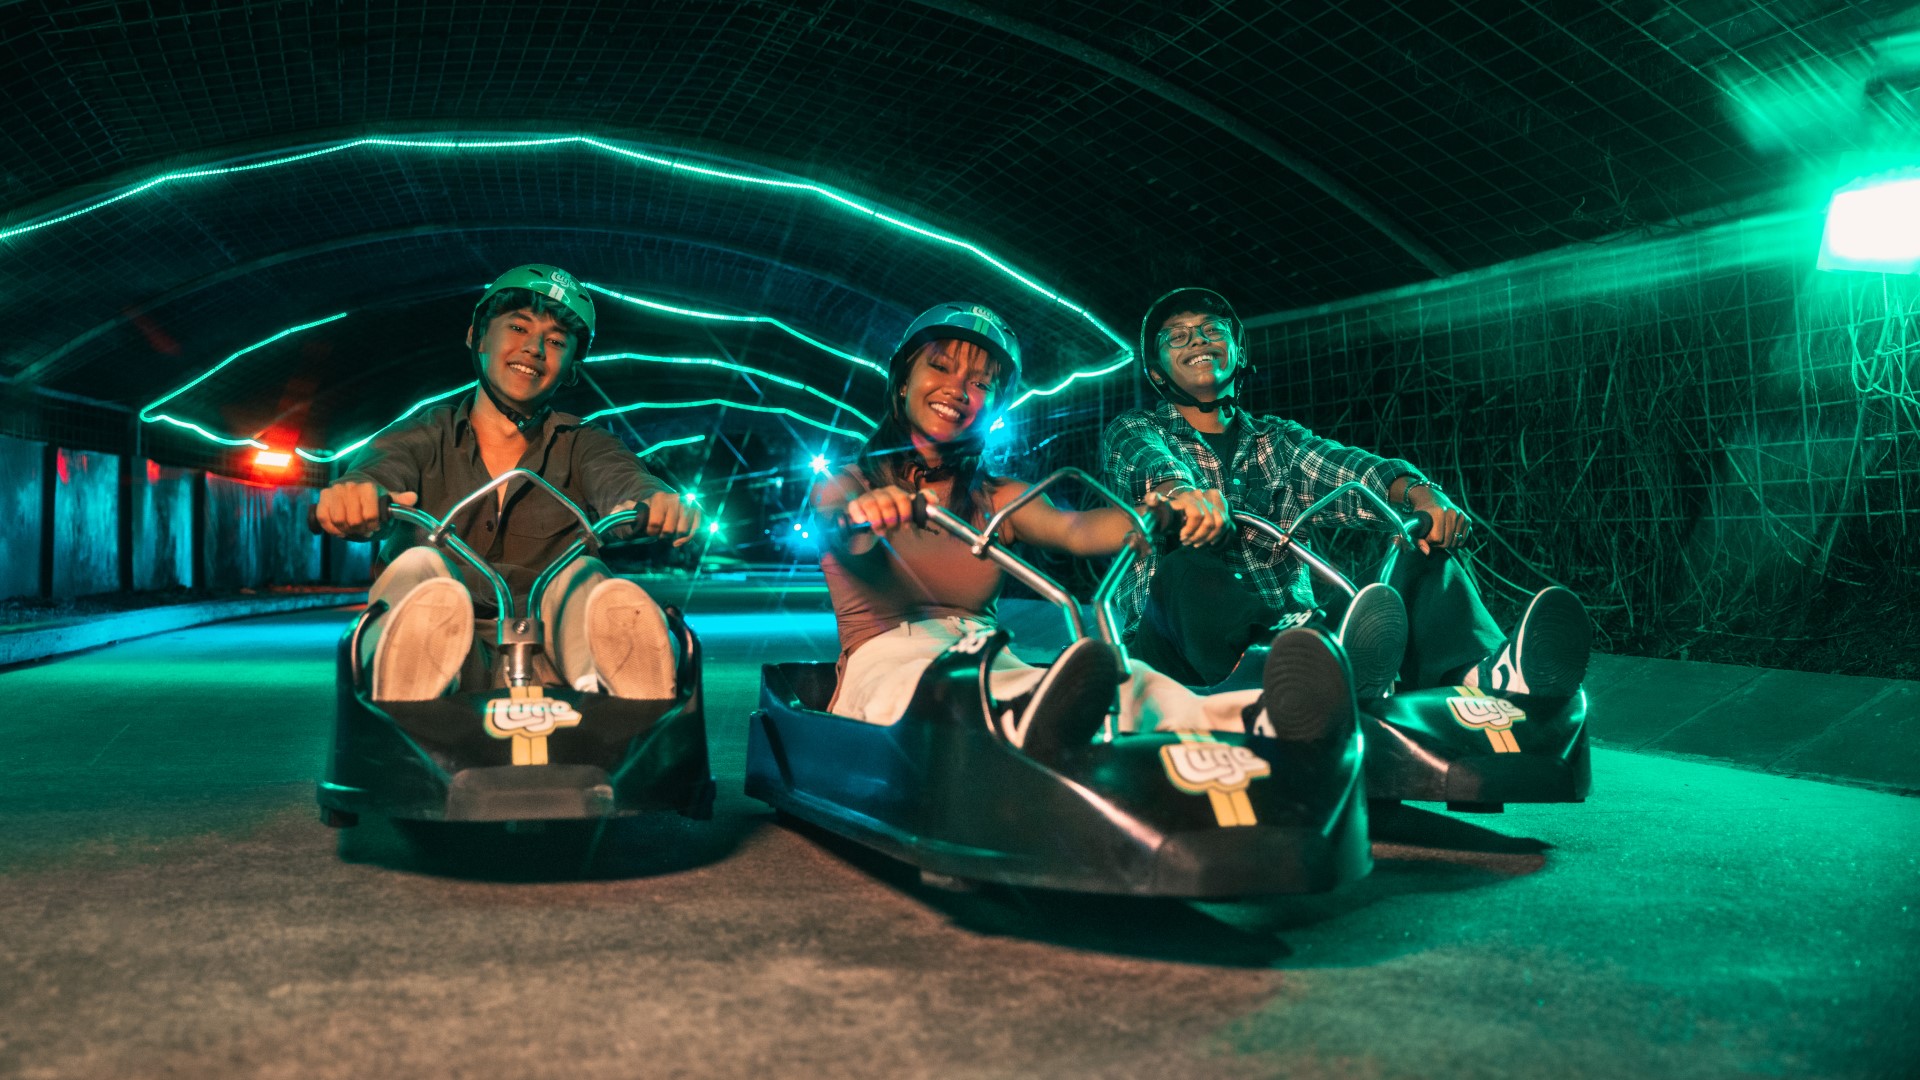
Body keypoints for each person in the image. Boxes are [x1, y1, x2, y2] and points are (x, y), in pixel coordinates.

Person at [813, 301, 1359, 764]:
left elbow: (1076, 529)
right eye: (940, 368)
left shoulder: (996, 498)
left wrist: (1164, 508)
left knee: (1126, 682)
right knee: (953, 691)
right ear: (904, 379)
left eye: (980, 383)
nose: (958, 390)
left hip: (985, 652)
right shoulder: (848, 485)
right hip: (885, 660)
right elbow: (840, 531)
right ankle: (1034, 737)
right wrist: (869, 512)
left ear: (992, 408)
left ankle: (1266, 715)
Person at [1102, 287, 1591, 697]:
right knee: (1181, 566)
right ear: (1158, 370)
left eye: (1211, 330)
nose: (1198, 341)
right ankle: (1300, 671)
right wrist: (1180, 495)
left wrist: (1423, 497)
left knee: (1420, 549)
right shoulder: (1135, 429)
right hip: (1176, 654)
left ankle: (1479, 678)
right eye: (1178, 337)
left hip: (1301, 638)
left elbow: (1354, 472)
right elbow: (1151, 466)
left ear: (1238, 350)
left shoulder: (1278, 442)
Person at [313, 263, 702, 701]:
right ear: (478, 337)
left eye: (556, 341)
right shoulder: (418, 436)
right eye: (518, 327)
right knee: (418, 568)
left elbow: (626, 480)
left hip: (555, 656)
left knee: (587, 576)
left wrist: (655, 501)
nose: (535, 347)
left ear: (572, 367)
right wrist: (357, 497)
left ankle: (630, 712)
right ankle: (412, 709)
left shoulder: (585, 444)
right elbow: (378, 472)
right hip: (446, 659)